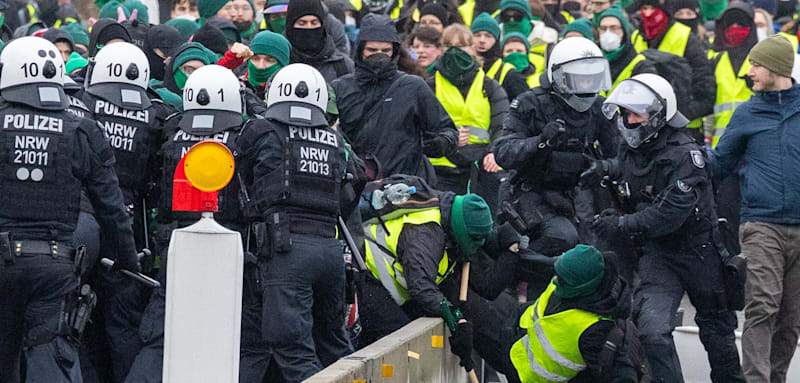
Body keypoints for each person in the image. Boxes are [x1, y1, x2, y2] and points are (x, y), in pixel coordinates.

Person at [585, 73, 744, 382]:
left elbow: (667, 215)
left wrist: (618, 224)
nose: (629, 121)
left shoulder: (688, 156)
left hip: (701, 254)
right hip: (659, 255)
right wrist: (605, 168)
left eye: (636, 114)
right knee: (652, 333)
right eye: (625, 114)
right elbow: (633, 170)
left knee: (718, 336)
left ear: (657, 116)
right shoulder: (631, 148)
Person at [0, 36, 141, 383]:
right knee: (51, 366)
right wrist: (128, 262)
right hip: (55, 268)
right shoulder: (82, 129)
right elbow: (111, 208)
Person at [124, 64, 253, 383]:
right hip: (229, 248)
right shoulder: (245, 135)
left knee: (161, 334)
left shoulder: (172, 130)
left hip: (177, 244)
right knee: (235, 336)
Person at [237, 63, 355, 382]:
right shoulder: (334, 140)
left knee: (293, 350)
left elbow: (238, 172)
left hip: (285, 249)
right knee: (334, 346)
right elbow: (351, 183)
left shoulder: (261, 129)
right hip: (331, 251)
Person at [495, 36, 617, 296]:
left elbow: (621, 156)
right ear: (559, 77)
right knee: (562, 236)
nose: (587, 85)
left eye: (592, 78)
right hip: (531, 194)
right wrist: (540, 142)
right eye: (579, 78)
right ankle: (508, 269)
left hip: (576, 196)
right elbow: (503, 152)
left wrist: (604, 167)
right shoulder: (530, 103)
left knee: (598, 251)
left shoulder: (598, 109)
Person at [710, 35, 800, 383]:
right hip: (761, 225)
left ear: (776, 67)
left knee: (791, 319)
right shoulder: (746, 113)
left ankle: (775, 378)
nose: (749, 72)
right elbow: (718, 165)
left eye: (755, 64)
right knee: (762, 306)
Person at [78, 42, 167, 382]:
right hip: (128, 226)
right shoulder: (156, 113)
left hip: (81, 217)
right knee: (123, 322)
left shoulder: (81, 105)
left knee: (73, 319)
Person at [470, 245, 639, 383]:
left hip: (525, 374)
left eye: (562, 279)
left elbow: (623, 373)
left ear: (581, 287)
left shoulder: (598, 330)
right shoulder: (566, 278)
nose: (555, 280)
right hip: (511, 340)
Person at [333, 14, 458, 185]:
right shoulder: (340, 88)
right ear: (360, 50)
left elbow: (447, 131)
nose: (379, 55)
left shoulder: (413, 87)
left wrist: (440, 143)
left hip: (405, 189)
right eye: (372, 50)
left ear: (395, 51)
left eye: (385, 51)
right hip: (355, 188)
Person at [427, 24, 508, 212]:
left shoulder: (489, 86)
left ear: (472, 49)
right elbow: (420, 127)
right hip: (441, 168)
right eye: (449, 46)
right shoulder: (430, 86)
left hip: (480, 167)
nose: (455, 51)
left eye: (461, 46)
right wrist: (447, 139)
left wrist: (494, 152)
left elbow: (502, 124)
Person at [631, 0, 715, 140]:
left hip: (684, 128)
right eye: (644, 8)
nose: (648, 13)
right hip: (644, 125)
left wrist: (681, 113)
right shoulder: (636, 37)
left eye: (653, 8)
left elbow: (705, 84)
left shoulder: (685, 36)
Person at [285, 0, 354, 82]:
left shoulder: (343, 65)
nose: (309, 27)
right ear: (290, 26)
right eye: (302, 23)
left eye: (314, 23)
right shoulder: (278, 60)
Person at [470, 12, 530, 101]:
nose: (482, 40)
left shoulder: (510, 74)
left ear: (496, 40)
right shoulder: (464, 68)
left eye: (488, 36)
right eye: (477, 35)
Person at [596, 6, 656, 95]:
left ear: (624, 31)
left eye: (614, 28)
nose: (607, 33)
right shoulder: (593, 59)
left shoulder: (640, 65)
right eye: (603, 28)